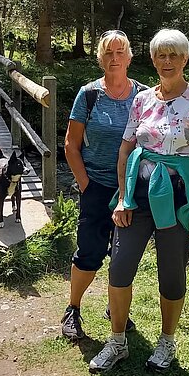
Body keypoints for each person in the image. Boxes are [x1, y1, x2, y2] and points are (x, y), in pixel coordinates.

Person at [89, 28, 189, 373]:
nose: (167, 62)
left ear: (185, 59)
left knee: (171, 272)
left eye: (173, 55)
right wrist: (122, 197)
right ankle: (117, 341)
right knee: (119, 269)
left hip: (179, 199)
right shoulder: (142, 99)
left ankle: (166, 341)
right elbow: (126, 149)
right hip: (139, 195)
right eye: (161, 56)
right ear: (152, 60)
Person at [61, 30, 146, 341]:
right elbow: (71, 144)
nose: (114, 58)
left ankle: (116, 307)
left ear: (129, 57)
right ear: (100, 57)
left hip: (131, 190)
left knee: (123, 255)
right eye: (108, 53)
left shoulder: (144, 95)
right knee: (90, 252)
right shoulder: (89, 94)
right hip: (96, 186)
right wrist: (85, 184)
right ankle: (73, 308)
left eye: (120, 52)